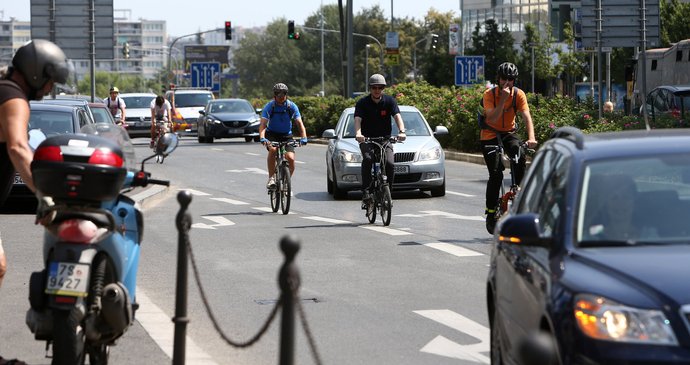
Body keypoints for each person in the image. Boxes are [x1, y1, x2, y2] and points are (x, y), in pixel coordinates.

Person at [0, 39, 69, 364]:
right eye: (50, 79)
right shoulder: (14, 99)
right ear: (36, 74)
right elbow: (17, 147)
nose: (51, 87)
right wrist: (46, 196)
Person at [481, 62, 537, 234]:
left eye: (510, 79)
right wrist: (503, 99)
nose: (507, 82)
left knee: (519, 153)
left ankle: (517, 190)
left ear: (514, 80)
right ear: (498, 79)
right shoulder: (489, 94)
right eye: (504, 78)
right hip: (489, 134)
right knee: (496, 173)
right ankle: (491, 213)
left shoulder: (519, 95)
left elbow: (526, 116)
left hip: (509, 133)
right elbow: (492, 118)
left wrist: (531, 138)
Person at [354, 74, 406, 205]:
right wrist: (358, 133)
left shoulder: (389, 101)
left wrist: (402, 131)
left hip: (385, 139)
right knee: (368, 159)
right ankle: (366, 191)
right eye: (374, 87)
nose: (377, 90)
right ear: (370, 88)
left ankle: (388, 192)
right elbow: (357, 120)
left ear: (383, 88)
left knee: (389, 163)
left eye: (380, 87)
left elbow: (397, 116)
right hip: (367, 139)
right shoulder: (362, 103)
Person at [258, 83, 308, 189]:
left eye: (283, 94)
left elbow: (299, 123)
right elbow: (263, 125)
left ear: (286, 95)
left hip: (286, 135)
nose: (281, 97)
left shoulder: (291, 106)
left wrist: (304, 137)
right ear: (274, 95)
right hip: (272, 134)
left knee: (290, 158)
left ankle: (286, 181)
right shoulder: (270, 106)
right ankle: (271, 178)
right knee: (273, 150)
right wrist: (262, 138)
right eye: (278, 94)